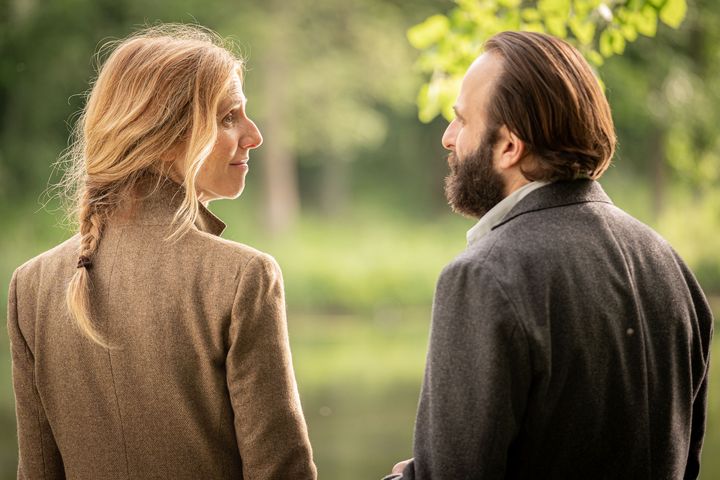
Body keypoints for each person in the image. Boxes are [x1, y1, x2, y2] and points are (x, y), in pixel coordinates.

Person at [386, 31, 713, 479]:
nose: (448, 138)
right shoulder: (672, 267)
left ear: (508, 146)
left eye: (462, 120)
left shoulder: (483, 276)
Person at [7, 24, 316, 479]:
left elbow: (36, 471)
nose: (254, 136)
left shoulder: (30, 283)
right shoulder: (241, 276)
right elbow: (281, 472)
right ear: (167, 135)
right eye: (229, 117)